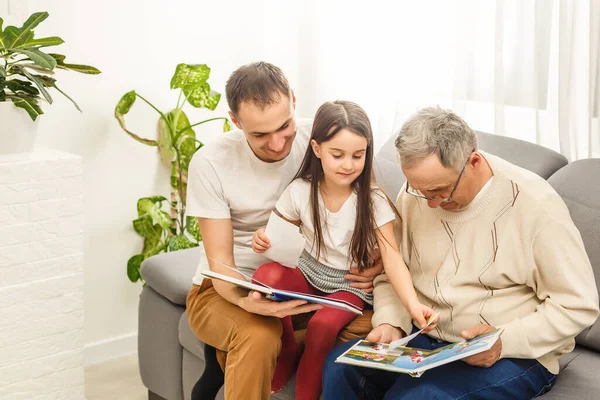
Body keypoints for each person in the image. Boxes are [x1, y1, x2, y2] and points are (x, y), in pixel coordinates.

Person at [322, 106, 600, 399]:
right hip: (425, 339)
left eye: (441, 191)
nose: (430, 204)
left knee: (420, 397)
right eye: (421, 191)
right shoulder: (417, 192)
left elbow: (577, 306)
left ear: (474, 161)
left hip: (513, 353)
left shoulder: (536, 207)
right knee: (339, 367)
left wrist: (504, 340)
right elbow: (393, 271)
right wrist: (391, 321)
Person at [184, 62, 382, 400]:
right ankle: (259, 344)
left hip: (312, 282)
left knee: (376, 327)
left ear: (293, 100)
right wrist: (249, 304)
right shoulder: (210, 162)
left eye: (285, 126)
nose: (277, 144)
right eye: (259, 134)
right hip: (230, 287)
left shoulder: (322, 141)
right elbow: (220, 266)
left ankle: (275, 347)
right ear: (235, 121)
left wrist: (377, 267)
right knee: (259, 335)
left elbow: (368, 209)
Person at [251, 101, 437, 399]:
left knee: (322, 326)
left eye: (358, 155)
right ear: (317, 149)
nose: (348, 165)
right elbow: (275, 234)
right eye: (337, 155)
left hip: (349, 284)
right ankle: (285, 347)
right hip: (308, 271)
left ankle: (306, 393)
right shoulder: (301, 190)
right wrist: (262, 239)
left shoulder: (372, 200)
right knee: (264, 276)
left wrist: (413, 306)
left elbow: (392, 256)